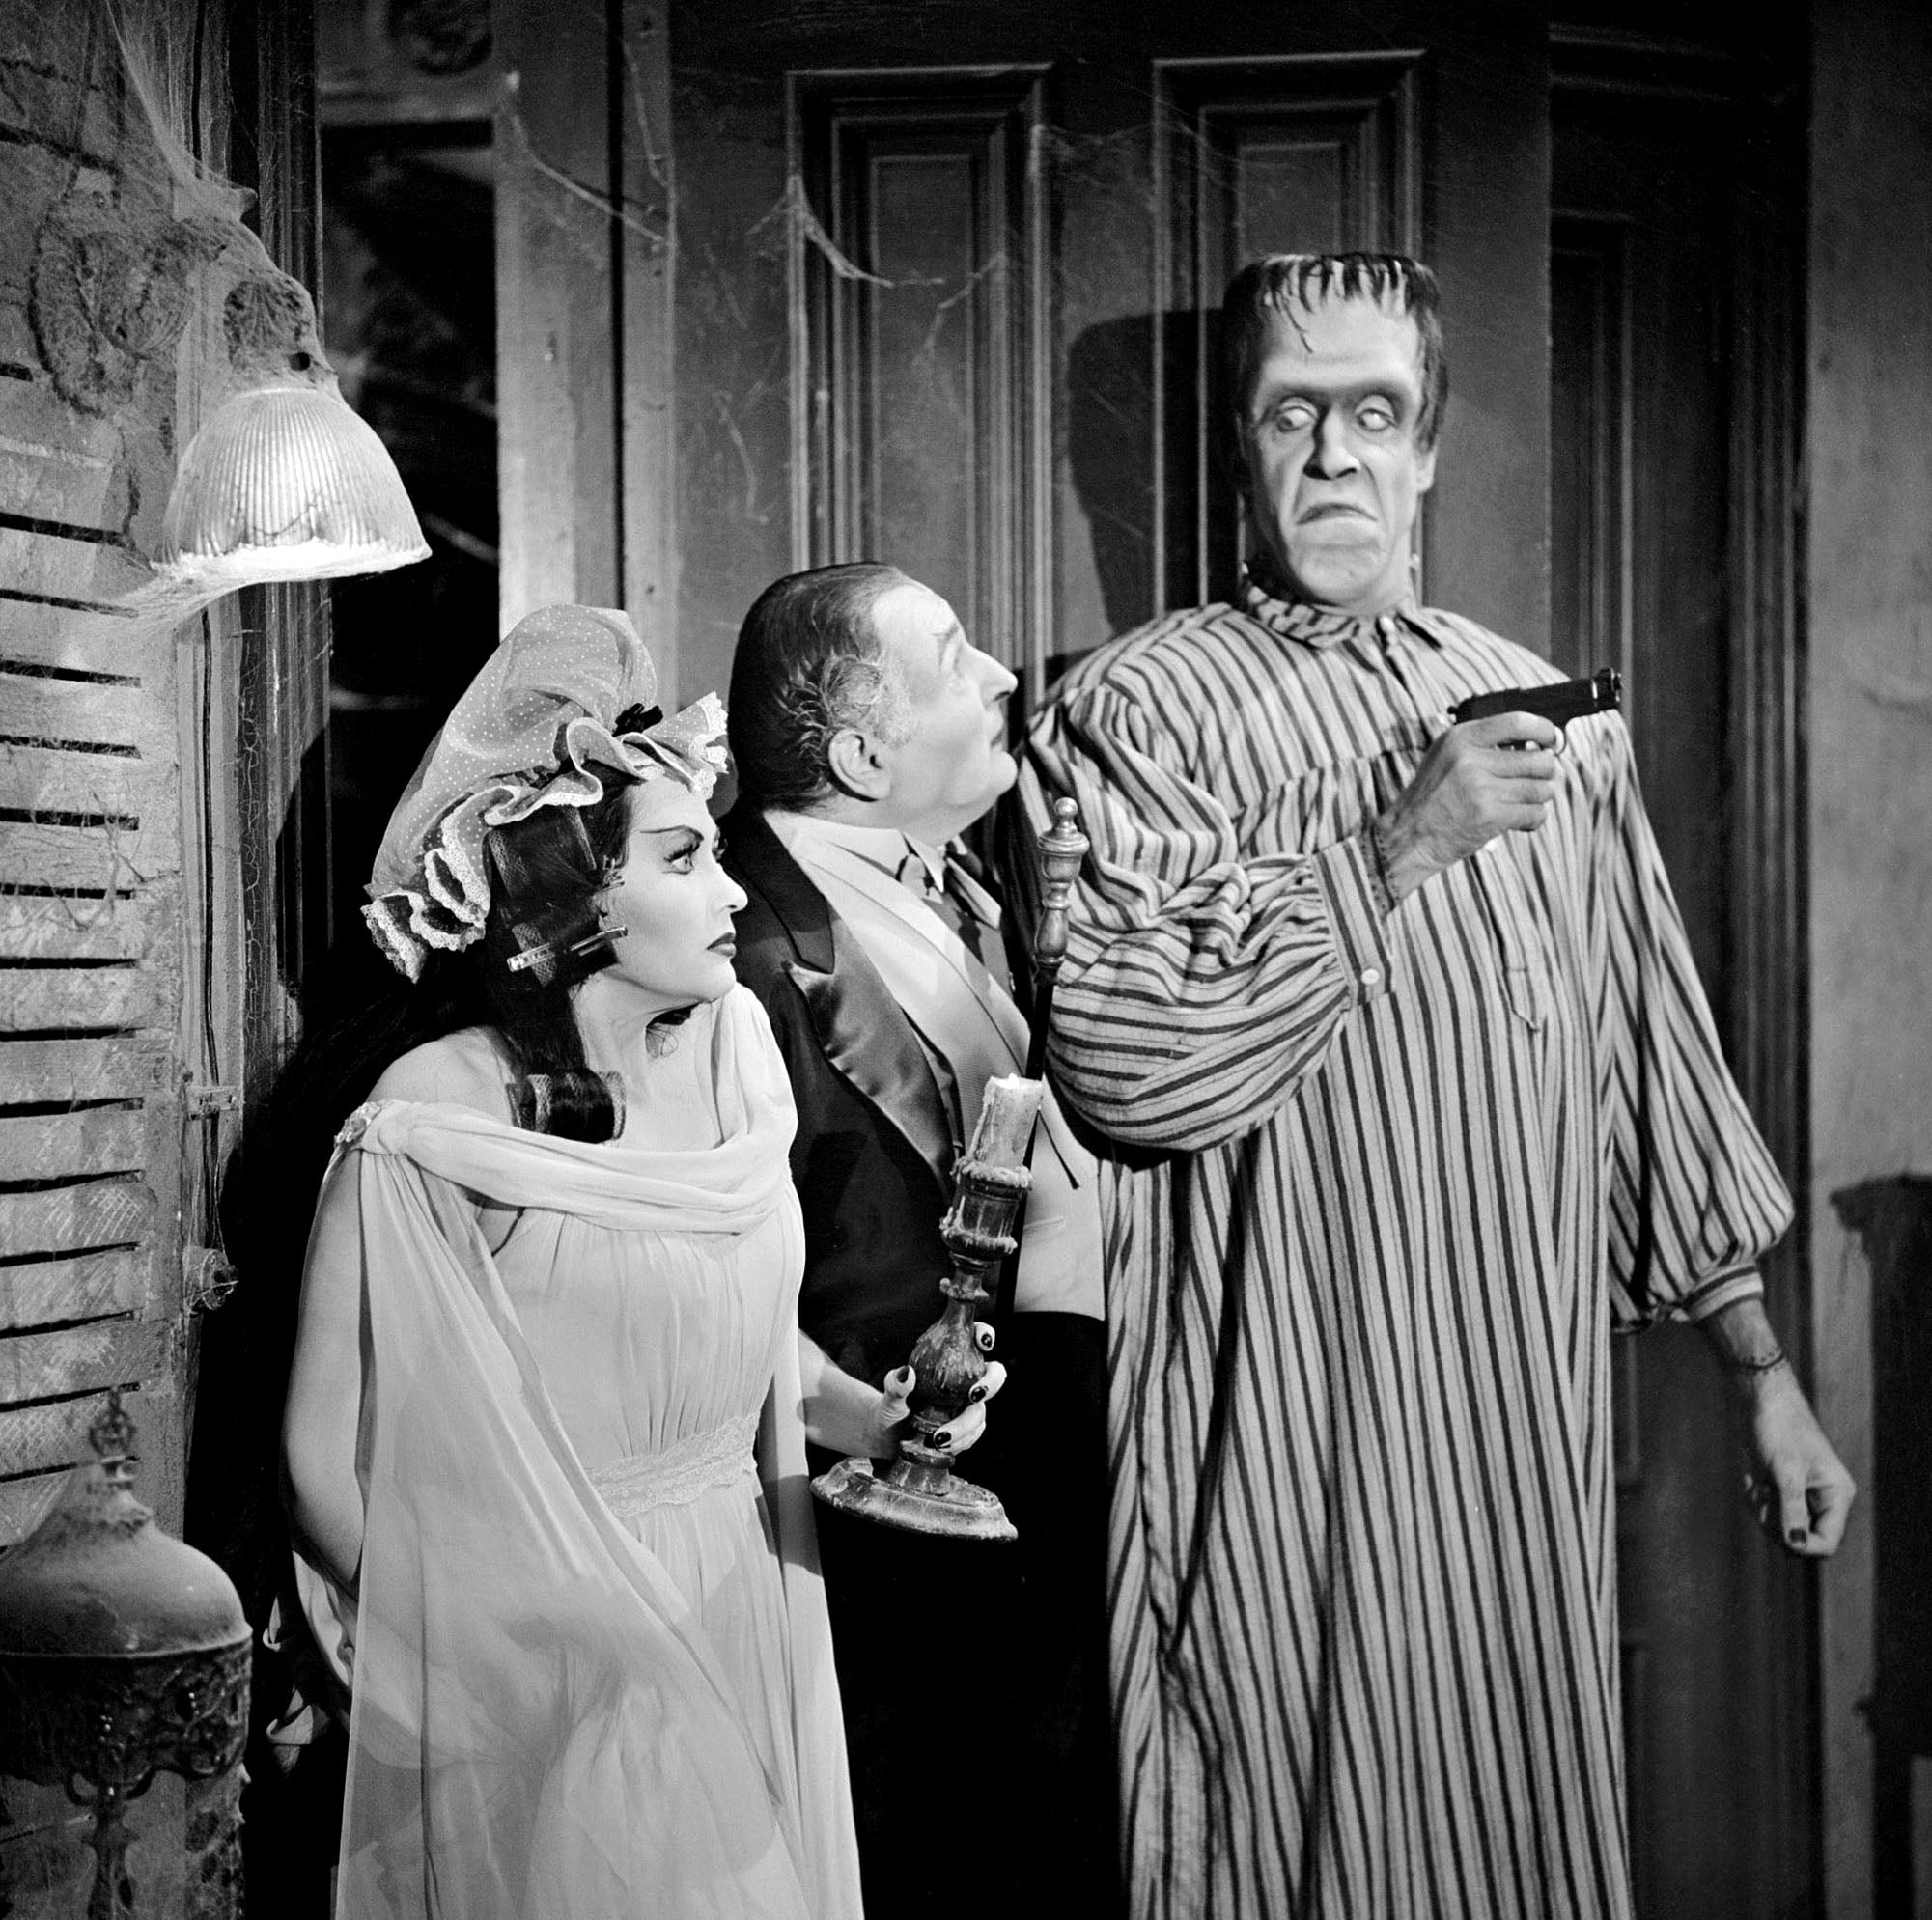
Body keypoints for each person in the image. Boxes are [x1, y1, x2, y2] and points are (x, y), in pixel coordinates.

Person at [1017, 253, 1856, 1920]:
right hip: (1275, 1451)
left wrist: (1763, 1378)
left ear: (1427, 449)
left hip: (1508, 1452)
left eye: (1372, 412)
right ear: (1239, 444)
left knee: (1505, 1841)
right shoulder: (1128, 716)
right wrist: (1396, 845)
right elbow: (1122, 1059)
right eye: (1291, 415)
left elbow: (1644, 1058)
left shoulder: (1552, 722)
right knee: (1272, 1838)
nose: (1333, 454)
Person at [278, 603, 901, 1918]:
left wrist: (885, 1419)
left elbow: (732, 1333)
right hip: (545, 1648)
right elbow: (321, 1453)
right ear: (574, 891)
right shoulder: (437, 1110)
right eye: (685, 857)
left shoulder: (736, 1056)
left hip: (735, 1597)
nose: (733, 892)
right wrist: (474, 1659)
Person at [722, 563, 1117, 1917]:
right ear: (862, 756)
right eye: (955, 659)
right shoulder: (742, 947)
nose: (1003, 675)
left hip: (1031, 1484)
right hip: (867, 1530)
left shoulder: (967, 888)